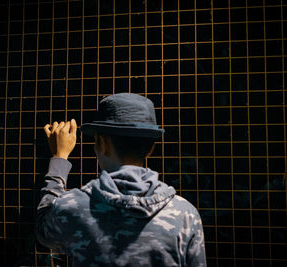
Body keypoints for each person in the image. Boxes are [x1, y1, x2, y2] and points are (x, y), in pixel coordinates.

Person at [36, 93, 206, 266]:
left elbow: (44, 231)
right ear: (150, 149)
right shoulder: (186, 214)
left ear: (102, 143)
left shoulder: (72, 207)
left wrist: (60, 157)